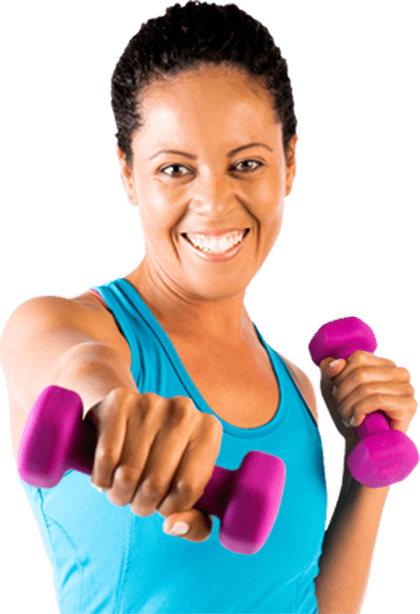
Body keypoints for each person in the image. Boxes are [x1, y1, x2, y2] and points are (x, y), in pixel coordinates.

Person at [0, 2, 417, 613]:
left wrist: (366, 471)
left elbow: (306, 603)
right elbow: (74, 365)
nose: (215, 204)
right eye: (175, 169)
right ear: (128, 174)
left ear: (289, 164)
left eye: (246, 164)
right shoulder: (58, 324)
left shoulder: (297, 389)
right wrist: (115, 407)